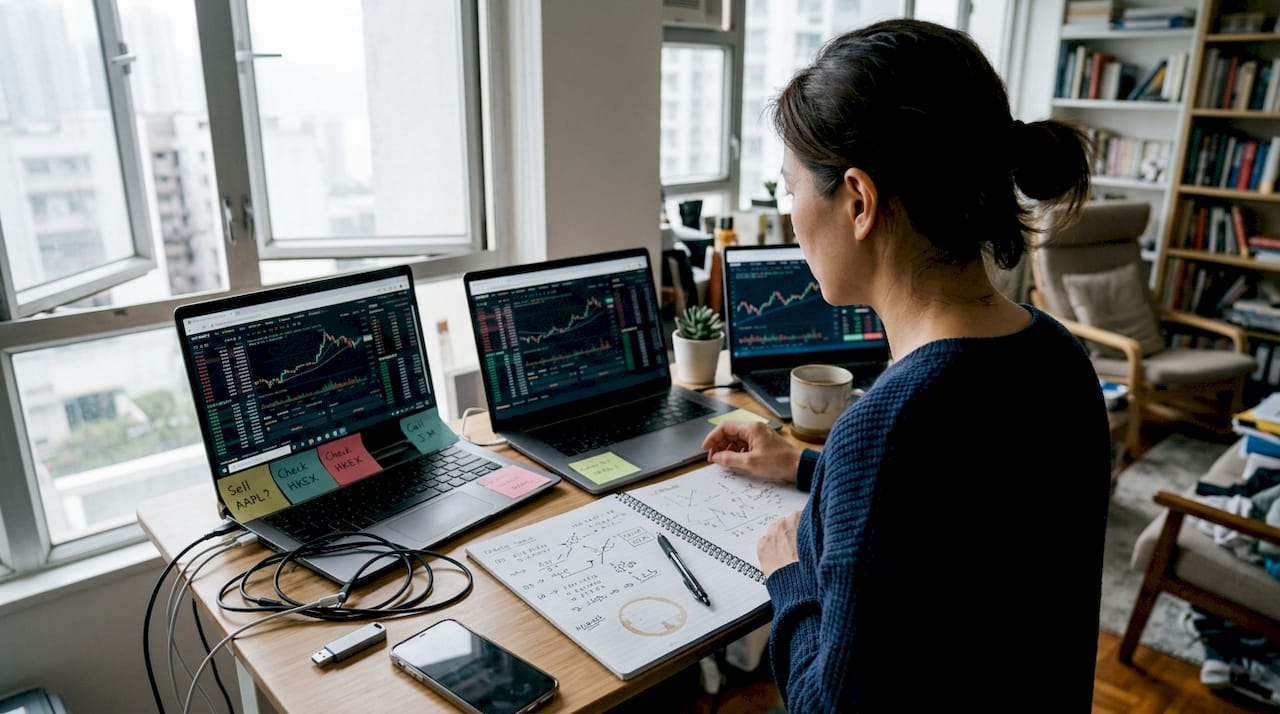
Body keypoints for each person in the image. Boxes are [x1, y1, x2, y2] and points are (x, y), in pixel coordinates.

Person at [701, 18, 1112, 712]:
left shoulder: (891, 427)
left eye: (791, 187)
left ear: (858, 201)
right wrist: (808, 468)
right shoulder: (1059, 360)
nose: (794, 215)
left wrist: (791, 576)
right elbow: (964, 523)